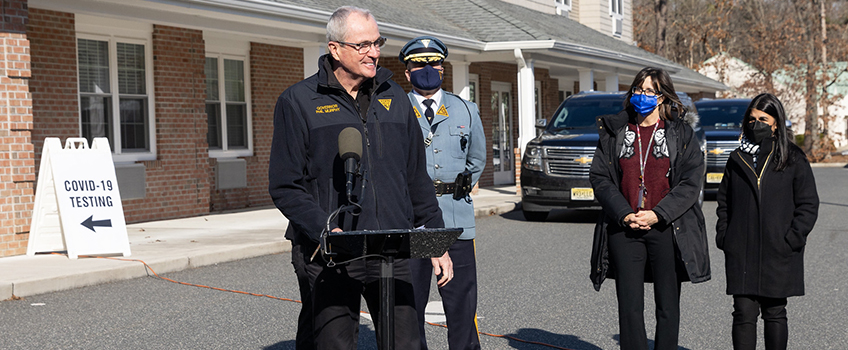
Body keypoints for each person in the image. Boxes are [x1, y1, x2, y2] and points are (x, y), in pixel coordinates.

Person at [268, 6, 453, 350]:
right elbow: (285, 185)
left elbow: (415, 175)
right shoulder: (298, 102)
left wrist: (435, 240)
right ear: (335, 49)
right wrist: (324, 227)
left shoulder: (394, 96)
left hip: (392, 249)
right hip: (329, 252)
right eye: (363, 45)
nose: (374, 52)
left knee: (407, 344)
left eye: (377, 42)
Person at [589, 67, 711, 350]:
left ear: (661, 97)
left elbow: (691, 182)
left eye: (649, 91)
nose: (642, 95)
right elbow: (600, 177)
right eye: (638, 89)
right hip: (625, 228)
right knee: (629, 308)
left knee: (667, 306)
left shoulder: (680, 134)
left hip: (667, 228)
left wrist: (658, 213)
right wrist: (625, 213)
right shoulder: (615, 131)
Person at [399, 36, 486, 350]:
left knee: (462, 306)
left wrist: (454, 189)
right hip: (411, 222)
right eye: (418, 65)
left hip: (455, 218)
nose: (427, 70)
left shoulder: (465, 109)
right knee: (409, 307)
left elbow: (477, 159)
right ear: (407, 73)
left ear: (443, 68)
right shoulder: (395, 109)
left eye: (433, 63)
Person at [715, 93, 819, 350]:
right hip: (742, 249)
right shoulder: (737, 157)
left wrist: (792, 238)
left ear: (776, 123)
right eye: (751, 119)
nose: (756, 124)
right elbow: (724, 203)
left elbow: (808, 204)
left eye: (763, 118)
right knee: (743, 314)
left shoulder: (792, 157)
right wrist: (725, 236)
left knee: (775, 313)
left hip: (779, 249)